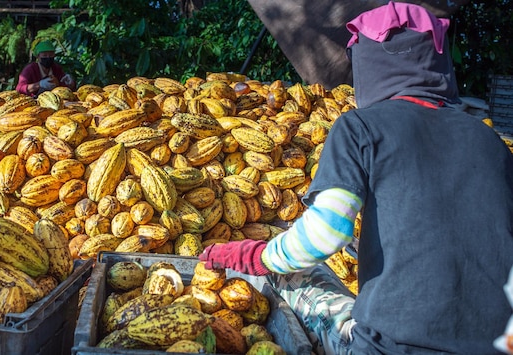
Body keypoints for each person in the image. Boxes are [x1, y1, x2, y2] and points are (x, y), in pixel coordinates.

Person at [199, 2, 513, 354]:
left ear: (368, 62)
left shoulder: (361, 127)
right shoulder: (491, 140)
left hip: (391, 347)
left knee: (295, 274)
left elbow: (324, 235)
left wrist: (257, 257)